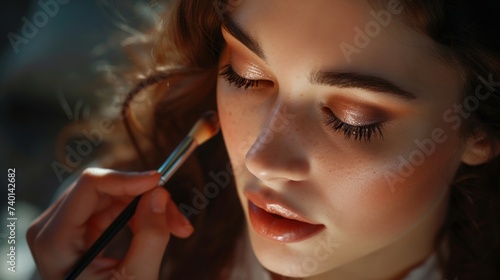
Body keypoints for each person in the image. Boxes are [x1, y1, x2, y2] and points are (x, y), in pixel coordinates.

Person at [27, 0, 500, 279]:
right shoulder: (118, 242)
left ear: (479, 128)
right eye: (246, 75)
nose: (262, 159)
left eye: (351, 120)